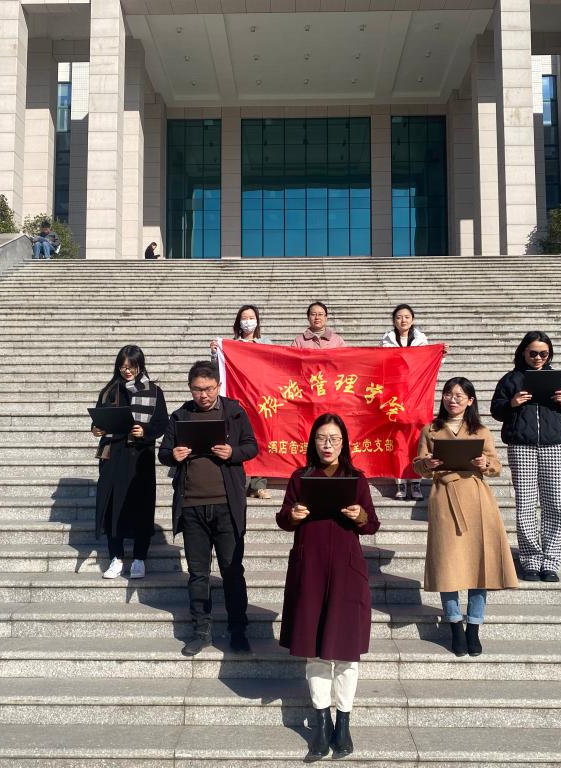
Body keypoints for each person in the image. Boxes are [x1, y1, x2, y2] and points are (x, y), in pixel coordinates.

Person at [276, 413, 380, 761]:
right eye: (322, 438)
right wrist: (293, 515)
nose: (328, 444)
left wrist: (359, 516)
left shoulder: (356, 478)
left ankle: (343, 723)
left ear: (344, 443)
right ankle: (321, 724)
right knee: (317, 654)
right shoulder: (301, 477)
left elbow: (372, 523)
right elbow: (283, 518)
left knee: (347, 654)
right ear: (313, 442)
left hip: (347, 573)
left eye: (334, 438)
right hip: (310, 572)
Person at [413, 377, 518, 657]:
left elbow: (496, 466)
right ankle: (454, 625)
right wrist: (428, 463)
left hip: (477, 499)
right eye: (449, 394)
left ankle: (474, 626)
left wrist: (486, 463)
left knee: (480, 564)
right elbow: (417, 465)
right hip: (444, 498)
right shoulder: (431, 430)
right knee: (447, 566)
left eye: (460, 395)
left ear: (470, 401)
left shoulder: (480, 430)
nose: (453, 399)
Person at [159, 361, 258, 656]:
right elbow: (163, 452)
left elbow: (252, 446)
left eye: (208, 389)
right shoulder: (180, 416)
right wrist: (174, 455)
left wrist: (232, 452)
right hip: (192, 507)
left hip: (227, 506)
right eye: (197, 389)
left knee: (232, 571)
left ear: (218, 386)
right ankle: (201, 630)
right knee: (198, 574)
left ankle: (238, 630)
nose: (203, 395)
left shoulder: (234, 412)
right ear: (190, 389)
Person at [490, 331, 561, 582]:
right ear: (523, 352)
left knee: (554, 504)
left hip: (554, 445)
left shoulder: (558, 379)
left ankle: (550, 561)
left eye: (544, 353)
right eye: (533, 353)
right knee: (526, 504)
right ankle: (530, 560)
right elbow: (496, 410)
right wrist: (512, 403)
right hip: (521, 445)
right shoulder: (511, 379)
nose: (538, 358)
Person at [92, 345, 169, 580]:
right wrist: (96, 429)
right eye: (123, 367)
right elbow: (99, 417)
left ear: (140, 366)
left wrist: (144, 431)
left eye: (131, 367)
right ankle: (115, 558)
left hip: (139, 457)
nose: (127, 371)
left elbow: (162, 424)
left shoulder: (154, 391)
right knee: (112, 506)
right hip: (112, 456)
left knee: (141, 506)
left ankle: (139, 558)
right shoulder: (109, 390)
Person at [380, 303, 450, 501]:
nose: (403, 320)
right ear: (394, 321)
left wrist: (440, 354)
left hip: (418, 395)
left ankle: (416, 481)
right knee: (398, 440)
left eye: (406, 317)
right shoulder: (386, 340)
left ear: (412, 320)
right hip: (395, 395)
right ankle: (400, 482)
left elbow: (429, 362)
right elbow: (381, 365)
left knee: (417, 439)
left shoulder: (421, 339)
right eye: (398, 317)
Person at [210, 304, 273, 500]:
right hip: (238, 398)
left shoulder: (266, 343)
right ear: (238, 322)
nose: (248, 321)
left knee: (261, 438)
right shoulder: (230, 345)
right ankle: (238, 482)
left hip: (261, 398)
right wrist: (215, 353)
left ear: (257, 321)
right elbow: (217, 371)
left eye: (251, 317)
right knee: (238, 437)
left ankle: (258, 484)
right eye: (244, 318)